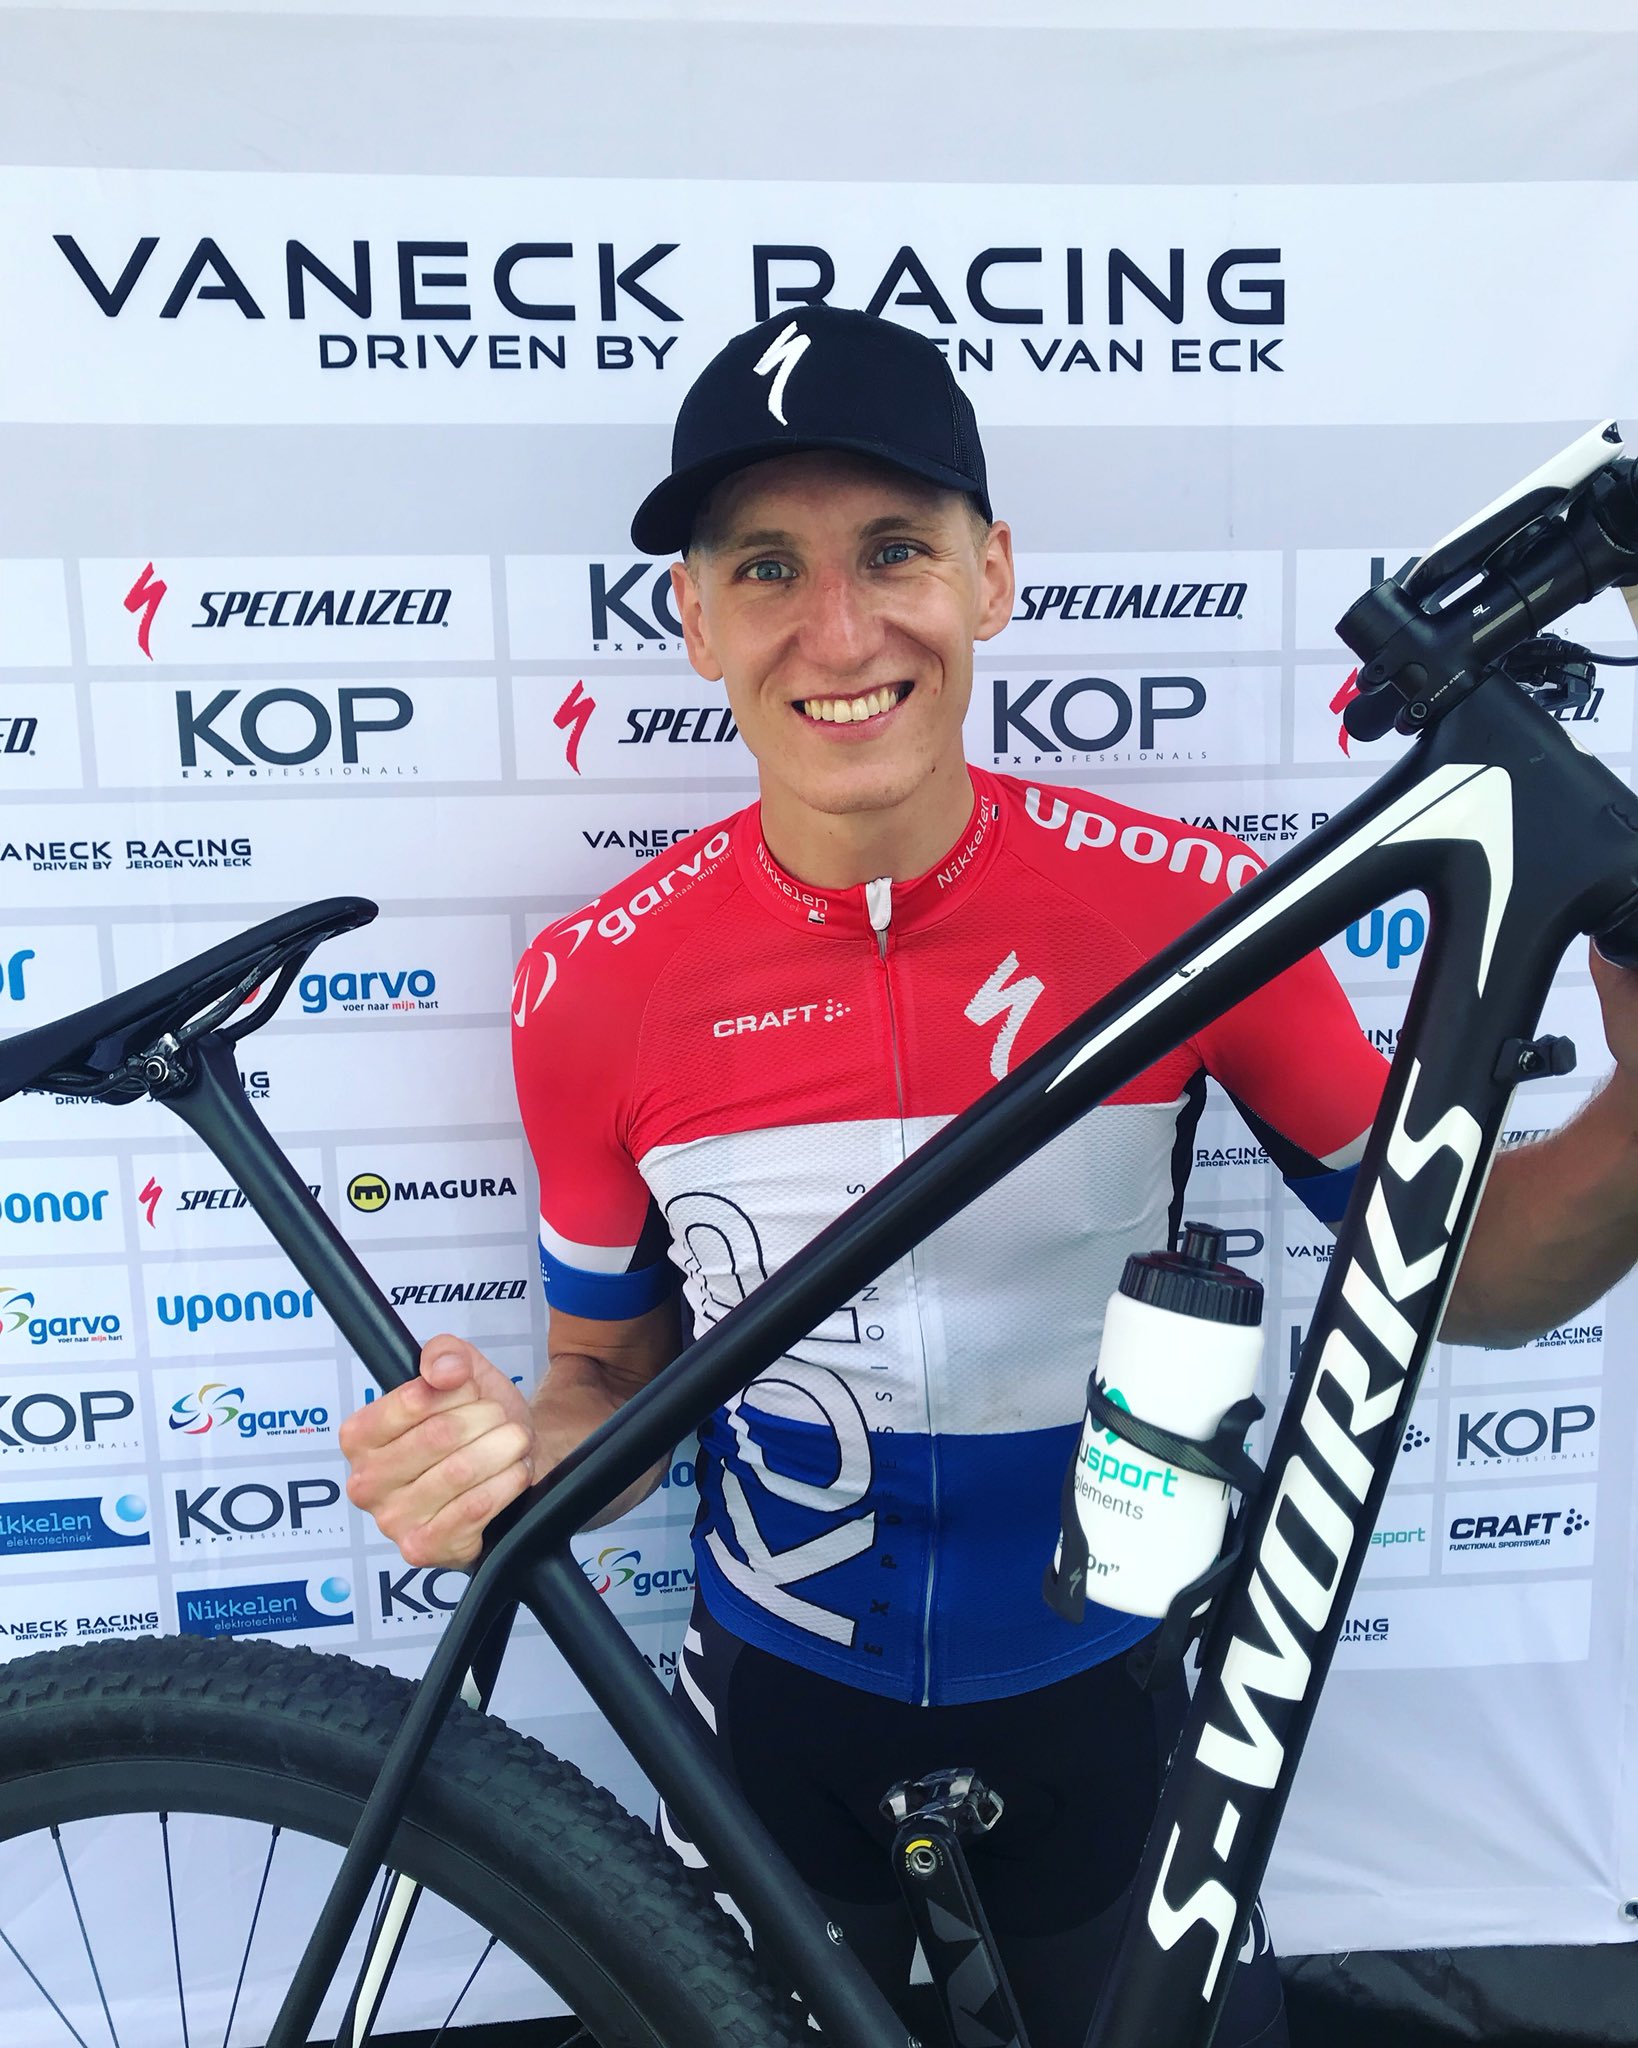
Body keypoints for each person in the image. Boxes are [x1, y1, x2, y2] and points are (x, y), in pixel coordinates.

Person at [340, 307, 1638, 2047]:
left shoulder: (1193, 912)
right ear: (694, 619)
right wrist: (514, 1452)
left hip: (1109, 1705)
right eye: (765, 568)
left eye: (894, 550)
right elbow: (608, 1380)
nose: (838, 630)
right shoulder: (593, 983)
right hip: (770, 1733)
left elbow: (1462, 1282)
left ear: (991, 574)